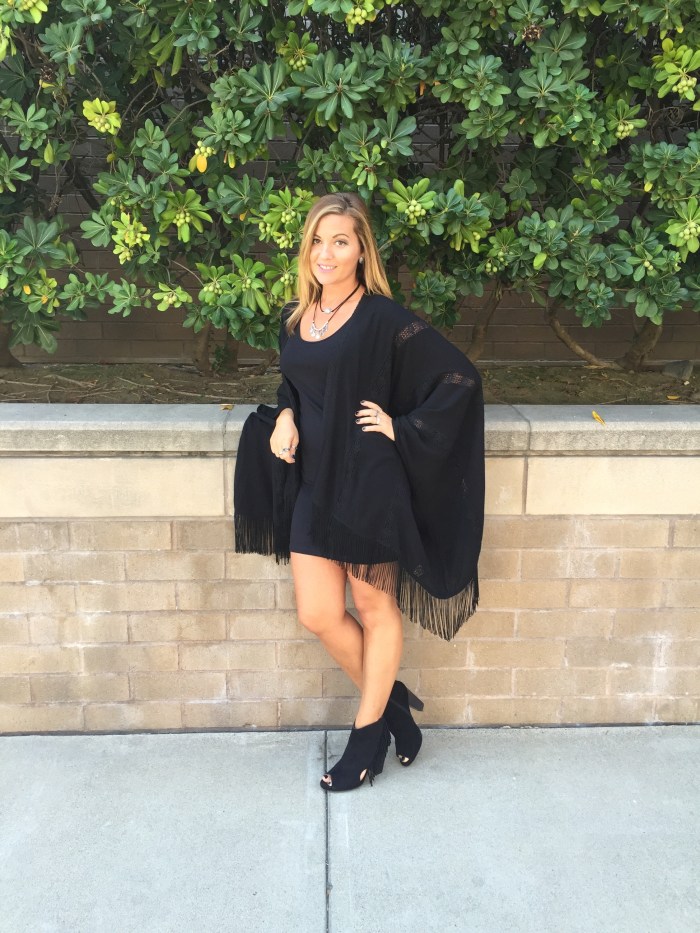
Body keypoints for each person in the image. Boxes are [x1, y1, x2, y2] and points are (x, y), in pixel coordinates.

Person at [234, 191, 485, 793]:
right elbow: (294, 383)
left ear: (361, 250)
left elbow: (461, 377)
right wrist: (286, 416)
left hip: (368, 481)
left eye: (340, 241)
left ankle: (366, 737)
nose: (326, 253)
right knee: (318, 613)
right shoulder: (297, 316)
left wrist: (402, 427)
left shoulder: (382, 318)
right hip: (313, 482)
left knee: (375, 610)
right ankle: (395, 710)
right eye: (318, 241)